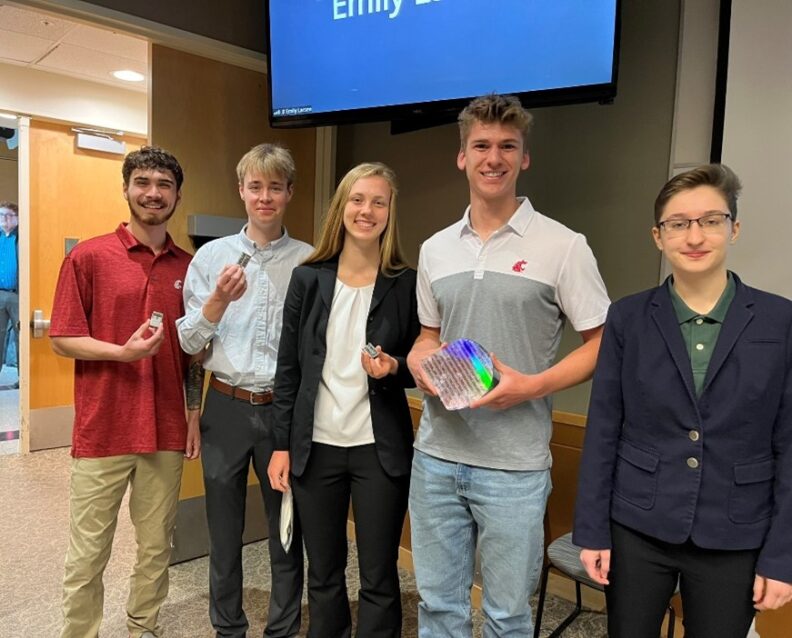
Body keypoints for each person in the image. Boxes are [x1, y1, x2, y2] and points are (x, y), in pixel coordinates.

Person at [406, 94, 610, 636]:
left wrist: (532, 386)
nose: (492, 157)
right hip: (435, 460)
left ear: (524, 158)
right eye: (481, 146)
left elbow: (603, 341)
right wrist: (419, 360)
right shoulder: (435, 249)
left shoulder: (564, 246)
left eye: (506, 147)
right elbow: (428, 338)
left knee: (507, 616)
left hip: (515, 467)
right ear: (462, 156)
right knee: (439, 608)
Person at [574, 164, 792, 637]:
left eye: (710, 220)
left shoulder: (780, 321)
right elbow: (605, 426)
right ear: (658, 236)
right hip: (638, 524)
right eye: (678, 223)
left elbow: (789, 442)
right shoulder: (628, 318)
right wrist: (591, 531)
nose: (695, 235)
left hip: (735, 530)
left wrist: (782, 555)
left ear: (734, 227)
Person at [49, 146, 201, 638]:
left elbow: (193, 355)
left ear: (177, 195)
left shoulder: (190, 265)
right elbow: (63, 338)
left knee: (157, 546)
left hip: (166, 430)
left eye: (163, 185)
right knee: (89, 551)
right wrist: (122, 354)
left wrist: (194, 414)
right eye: (143, 182)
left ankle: (144, 628)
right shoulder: (88, 256)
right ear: (127, 188)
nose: (153, 193)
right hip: (102, 430)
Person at [267, 162, 420, 638]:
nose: (367, 210)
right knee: (324, 574)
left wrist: (394, 367)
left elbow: (422, 361)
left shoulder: (406, 283)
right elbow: (288, 370)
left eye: (379, 201)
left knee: (379, 575)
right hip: (316, 449)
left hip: (381, 451)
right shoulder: (308, 279)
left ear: (390, 212)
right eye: (358, 199)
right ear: (341, 208)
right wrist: (281, 444)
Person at [177, 143, 311, 638]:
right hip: (226, 406)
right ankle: (227, 627)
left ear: (289, 193)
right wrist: (216, 300)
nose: (265, 197)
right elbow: (189, 341)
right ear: (241, 191)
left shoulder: (310, 261)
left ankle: (282, 629)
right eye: (256, 186)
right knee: (224, 529)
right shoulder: (211, 258)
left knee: (285, 529)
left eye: (275, 187)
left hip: (283, 411)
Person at [0, 200, 19, 384]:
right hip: (0, 293)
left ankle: (23, 379)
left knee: (21, 337)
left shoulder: (21, 237)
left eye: (10, 215)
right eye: (2, 215)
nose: (5, 219)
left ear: (17, 218)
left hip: (18, 295)